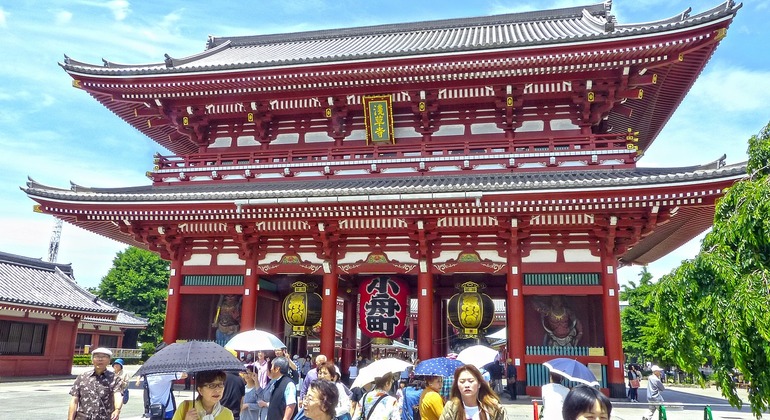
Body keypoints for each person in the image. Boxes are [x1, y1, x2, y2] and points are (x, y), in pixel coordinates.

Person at [68, 347, 124, 420]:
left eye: (104, 357)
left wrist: (117, 409)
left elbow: (118, 395)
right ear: (92, 360)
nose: (100, 359)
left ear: (109, 361)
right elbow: (74, 400)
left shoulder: (115, 379)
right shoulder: (82, 377)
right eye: (97, 356)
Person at [439, 365, 505, 420]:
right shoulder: (451, 407)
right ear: (457, 385)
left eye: (471, 381)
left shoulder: (494, 407)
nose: (467, 385)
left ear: (479, 384)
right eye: (462, 381)